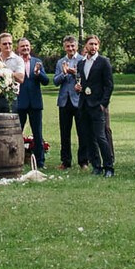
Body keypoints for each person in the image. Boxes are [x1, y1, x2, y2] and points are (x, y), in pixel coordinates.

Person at [78, 35, 114, 176]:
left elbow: (109, 85)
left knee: (100, 137)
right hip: (84, 104)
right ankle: (96, 166)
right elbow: (83, 82)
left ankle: (109, 167)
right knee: (88, 137)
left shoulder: (103, 62)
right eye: (90, 44)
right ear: (86, 46)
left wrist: (103, 104)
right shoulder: (81, 63)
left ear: (98, 46)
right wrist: (78, 88)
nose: (93, 47)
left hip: (97, 105)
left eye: (95, 44)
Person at [11, 38, 49, 168]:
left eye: (27, 46)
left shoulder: (37, 62)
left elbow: (46, 81)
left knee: (37, 134)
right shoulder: (16, 62)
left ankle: (40, 162)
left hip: (35, 103)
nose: (25, 48)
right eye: (22, 46)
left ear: (30, 47)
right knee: (16, 133)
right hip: (20, 102)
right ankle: (15, 160)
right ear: (18, 49)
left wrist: (38, 74)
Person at [54, 36, 81, 170]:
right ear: (64, 47)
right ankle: (66, 161)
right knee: (64, 133)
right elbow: (55, 81)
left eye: (72, 46)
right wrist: (64, 74)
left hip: (78, 100)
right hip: (64, 101)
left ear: (76, 46)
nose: (70, 49)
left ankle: (84, 161)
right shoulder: (61, 62)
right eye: (68, 46)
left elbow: (85, 77)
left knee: (82, 132)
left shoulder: (82, 60)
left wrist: (73, 72)